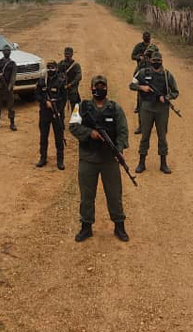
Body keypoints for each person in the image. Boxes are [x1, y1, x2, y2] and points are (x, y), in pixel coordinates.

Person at [69, 76, 129, 243]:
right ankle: (86, 226)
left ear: (107, 88)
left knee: (114, 195)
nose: (100, 89)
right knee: (87, 195)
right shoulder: (81, 107)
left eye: (103, 86)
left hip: (109, 159)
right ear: (91, 88)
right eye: (97, 86)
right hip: (88, 159)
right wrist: (90, 133)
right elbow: (73, 126)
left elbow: (123, 131)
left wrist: (119, 149)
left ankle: (119, 225)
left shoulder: (115, 108)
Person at [130, 50, 179, 174]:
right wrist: (142, 87)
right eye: (154, 61)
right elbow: (131, 85)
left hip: (162, 109)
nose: (156, 63)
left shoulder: (167, 75)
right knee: (145, 135)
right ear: (150, 61)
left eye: (158, 61)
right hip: (146, 108)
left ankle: (163, 163)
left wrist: (166, 98)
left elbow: (175, 92)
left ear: (162, 61)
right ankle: (141, 162)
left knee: (162, 136)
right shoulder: (142, 73)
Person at [35, 60, 67, 170]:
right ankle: (43, 158)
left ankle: (60, 160)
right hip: (45, 112)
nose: (50, 70)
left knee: (59, 137)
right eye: (48, 68)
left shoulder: (61, 81)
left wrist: (58, 111)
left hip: (57, 112)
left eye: (52, 68)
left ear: (56, 69)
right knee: (43, 136)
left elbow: (64, 98)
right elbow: (37, 95)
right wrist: (45, 102)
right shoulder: (42, 80)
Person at [0, 45, 17, 131]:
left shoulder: (12, 64)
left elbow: (13, 76)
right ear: (2, 52)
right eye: (5, 51)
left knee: (10, 106)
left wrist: (10, 86)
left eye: (8, 51)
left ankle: (12, 123)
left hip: (8, 87)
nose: (6, 52)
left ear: (10, 52)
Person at [132, 46, 156, 135]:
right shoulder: (142, 65)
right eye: (148, 55)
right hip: (143, 90)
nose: (149, 58)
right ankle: (141, 126)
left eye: (151, 55)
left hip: (154, 90)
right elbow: (135, 78)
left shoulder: (158, 65)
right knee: (141, 107)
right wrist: (141, 87)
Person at [58, 47, 82, 112]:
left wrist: (71, 84)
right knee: (59, 105)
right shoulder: (60, 64)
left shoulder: (76, 65)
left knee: (75, 105)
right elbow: (56, 74)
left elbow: (79, 76)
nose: (67, 55)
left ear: (72, 54)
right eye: (66, 54)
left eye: (69, 54)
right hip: (62, 87)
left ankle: (74, 119)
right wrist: (61, 80)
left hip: (72, 87)